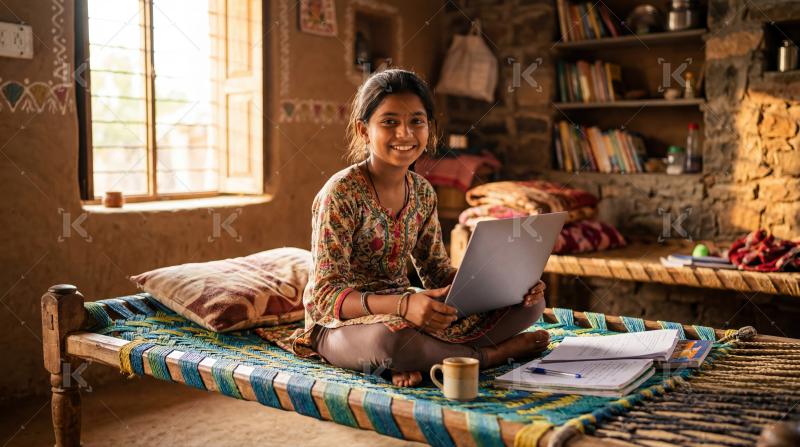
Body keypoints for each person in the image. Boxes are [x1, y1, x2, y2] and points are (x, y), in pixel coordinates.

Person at [297, 69, 549, 387]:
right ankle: (491, 356)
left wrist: (507, 282)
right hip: (339, 326)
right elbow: (324, 296)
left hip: (408, 312)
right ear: (364, 130)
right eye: (389, 122)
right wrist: (404, 306)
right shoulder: (341, 193)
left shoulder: (422, 191)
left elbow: (437, 272)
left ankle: (428, 357)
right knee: (390, 343)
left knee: (531, 304)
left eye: (416, 121)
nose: (405, 134)